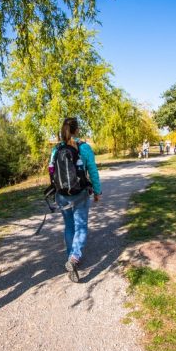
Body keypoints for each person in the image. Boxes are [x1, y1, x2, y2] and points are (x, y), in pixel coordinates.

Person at [49, 118, 101, 283]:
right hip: (80, 194)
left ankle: (71, 255)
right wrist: (97, 191)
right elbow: (92, 170)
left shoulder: (56, 149)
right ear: (77, 130)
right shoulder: (84, 148)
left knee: (69, 226)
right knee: (81, 227)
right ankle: (74, 258)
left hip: (62, 195)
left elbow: (51, 170)